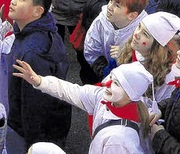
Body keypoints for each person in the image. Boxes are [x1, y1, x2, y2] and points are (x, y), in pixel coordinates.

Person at [13, 58, 153, 153]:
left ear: (130, 95)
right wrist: (39, 81)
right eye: (112, 78)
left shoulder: (119, 140)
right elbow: (72, 91)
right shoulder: (103, 96)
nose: (108, 84)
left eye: (116, 84)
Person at [3, 0, 72, 150]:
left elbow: (35, 106)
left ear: (37, 11)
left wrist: (33, 144)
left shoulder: (33, 53)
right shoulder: (40, 29)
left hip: (34, 131)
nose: (12, 1)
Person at [115, 12, 180, 104]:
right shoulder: (136, 49)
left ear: (156, 46)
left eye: (145, 34)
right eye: (139, 26)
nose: (136, 34)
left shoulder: (170, 75)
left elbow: (160, 105)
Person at [84, 0, 148, 83]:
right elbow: (91, 47)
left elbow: (147, 62)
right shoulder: (102, 19)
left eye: (117, 6)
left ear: (132, 16)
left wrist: (125, 56)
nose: (109, 7)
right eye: (111, 1)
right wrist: (103, 71)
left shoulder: (145, 31)